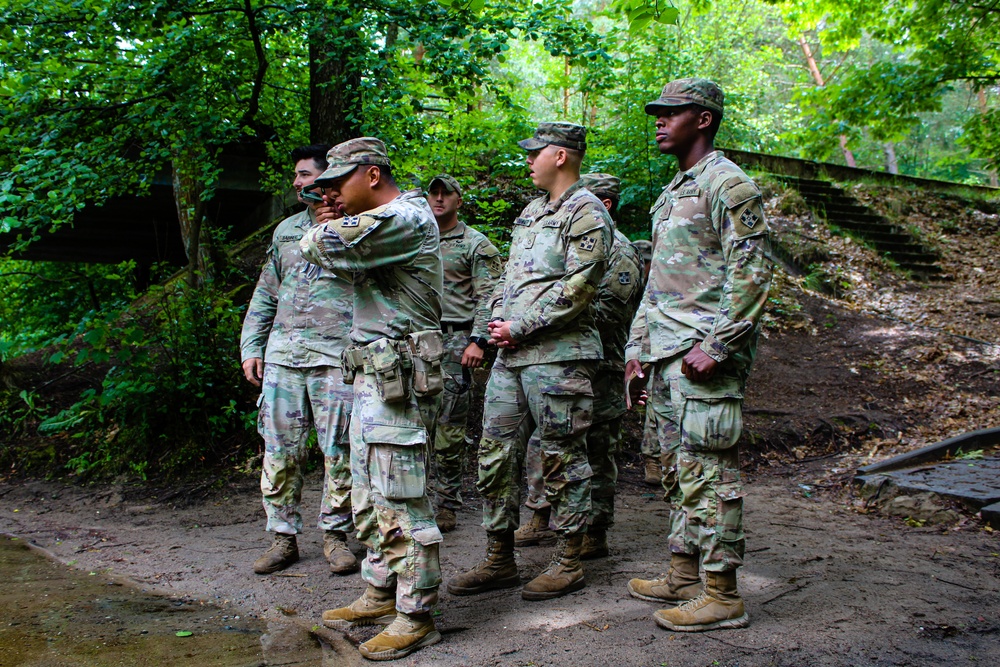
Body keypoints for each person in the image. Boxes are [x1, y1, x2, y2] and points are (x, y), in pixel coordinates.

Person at [624, 78, 773, 632]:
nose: (659, 121)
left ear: (703, 118)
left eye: (671, 112)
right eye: (657, 113)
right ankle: (684, 573)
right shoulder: (675, 191)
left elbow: (753, 273)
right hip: (664, 356)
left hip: (701, 358)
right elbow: (657, 282)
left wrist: (718, 344)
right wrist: (636, 351)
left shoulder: (728, 184)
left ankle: (722, 593)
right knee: (675, 471)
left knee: (709, 472)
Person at [447, 122, 612, 601]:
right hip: (511, 359)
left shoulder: (587, 211)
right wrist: (499, 321)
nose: (528, 160)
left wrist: (522, 325)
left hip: (558, 357)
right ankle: (500, 558)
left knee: (561, 457)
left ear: (560, 156)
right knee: (494, 455)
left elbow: (579, 286)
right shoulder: (531, 212)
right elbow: (507, 281)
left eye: (534, 153)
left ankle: (568, 560)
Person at [299, 138, 445, 661]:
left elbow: (320, 246)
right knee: (368, 492)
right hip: (375, 379)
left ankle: (415, 614)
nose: (331, 193)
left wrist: (320, 226)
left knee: (400, 497)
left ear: (374, 174)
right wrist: (330, 219)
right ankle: (382, 591)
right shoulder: (378, 225)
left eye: (339, 182)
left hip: (401, 383)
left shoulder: (405, 218)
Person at [239, 144, 358, 577]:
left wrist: (340, 231)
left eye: (305, 175)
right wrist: (252, 347)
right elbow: (266, 291)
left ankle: (335, 537)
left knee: (340, 451)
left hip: (334, 357)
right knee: (279, 450)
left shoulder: (360, 227)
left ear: (328, 180)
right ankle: (282, 537)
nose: (296, 182)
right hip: (284, 357)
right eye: (297, 175)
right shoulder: (286, 230)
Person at [515, 173, 643, 561]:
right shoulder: (567, 241)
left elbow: (611, 312)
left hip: (601, 363)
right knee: (549, 440)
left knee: (598, 450)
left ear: (605, 205)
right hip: (562, 358)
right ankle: (540, 513)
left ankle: (596, 531)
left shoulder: (621, 252)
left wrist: (553, 315)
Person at [425, 174, 503, 533]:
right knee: (411, 423)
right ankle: (414, 498)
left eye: (446, 194)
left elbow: (490, 295)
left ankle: (446, 502)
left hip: (456, 341)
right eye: (434, 193)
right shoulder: (416, 239)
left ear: (459, 200)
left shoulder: (476, 244)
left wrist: (478, 340)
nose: (439, 199)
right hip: (416, 340)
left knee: (449, 428)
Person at [630, 238, 664, 487]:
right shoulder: (628, 278)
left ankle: (657, 459)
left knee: (656, 397)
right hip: (632, 344)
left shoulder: (663, 281)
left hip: (658, 344)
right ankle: (653, 458)